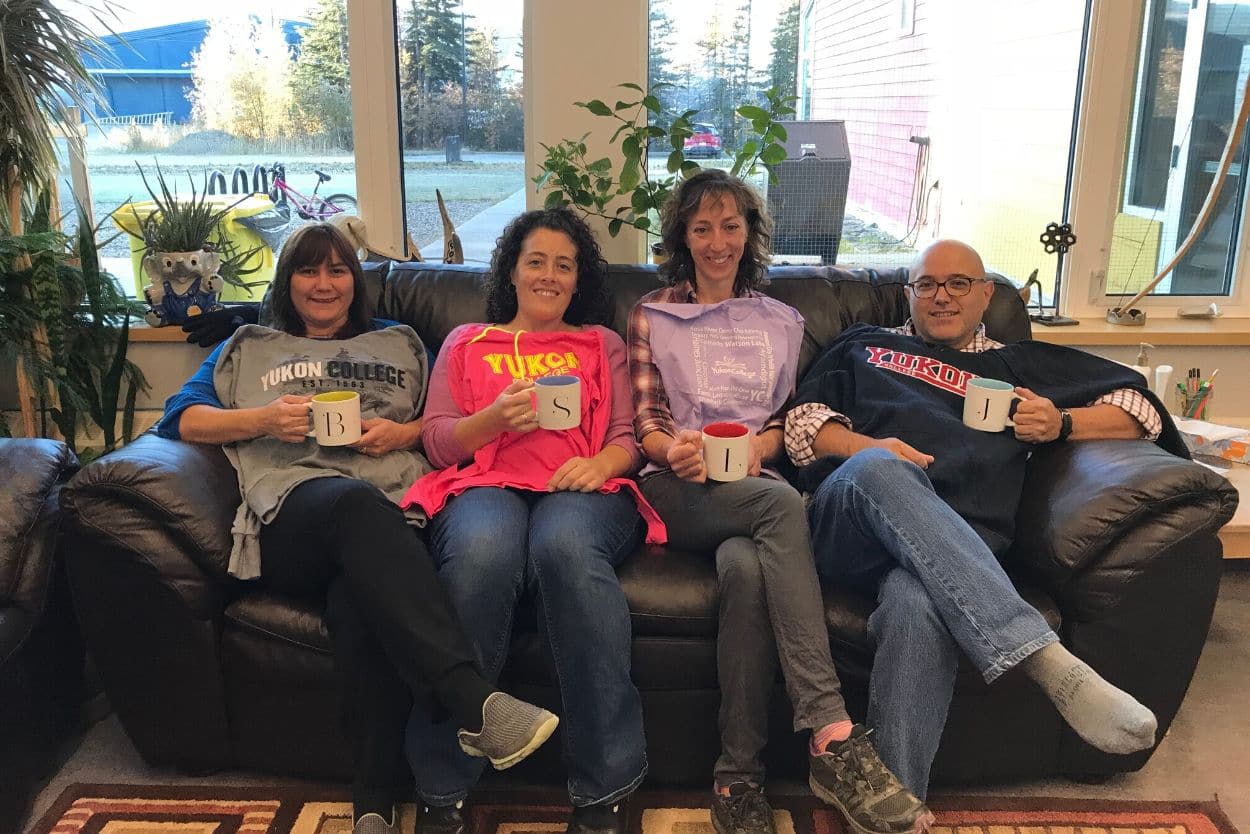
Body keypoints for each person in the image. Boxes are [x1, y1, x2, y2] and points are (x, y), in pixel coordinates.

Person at [155, 223, 558, 834]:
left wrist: (404, 433)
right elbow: (178, 420)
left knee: (359, 603)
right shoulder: (249, 344)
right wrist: (260, 418)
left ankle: (371, 807)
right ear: (287, 281)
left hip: (392, 525)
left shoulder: (403, 344)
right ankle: (474, 700)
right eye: (308, 271)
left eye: (337, 271)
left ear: (355, 282)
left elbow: (445, 423)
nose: (324, 284)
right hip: (292, 514)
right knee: (352, 504)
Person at [785, 238, 1181, 802]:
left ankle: (896, 806)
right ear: (909, 293)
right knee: (881, 467)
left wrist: (1062, 422)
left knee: (918, 603)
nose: (941, 297)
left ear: (986, 294)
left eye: (958, 284)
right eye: (927, 285)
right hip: (853, 522)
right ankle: (1044, 659)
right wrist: (872, 447)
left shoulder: (1018, 363)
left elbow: (1141, 410)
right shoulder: (862, 346)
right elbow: (803, 426)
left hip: (959, 545)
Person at [628, 168, 932, 834]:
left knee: (746, 567)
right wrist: (668, 446)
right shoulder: (652, 311)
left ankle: (736, 779)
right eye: (702, 227)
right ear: (683, 234)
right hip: (677, 491)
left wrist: (758, 450)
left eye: (730, 226)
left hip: (753, 490)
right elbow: (644, 421)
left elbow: (783, 424)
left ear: (749, 234)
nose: (717, 242)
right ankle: (829, 728)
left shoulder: (779, 322)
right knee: (780, 511)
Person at [401, 208, 660, 834]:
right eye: (536, 262)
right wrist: (492, 420)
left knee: (566, 547)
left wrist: (600, 463)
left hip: (584, 488)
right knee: (486, 551)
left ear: (578, 281)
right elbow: (437, 443)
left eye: (563, 266)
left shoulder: (603, 344)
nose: (549, 275)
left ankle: (604, 790)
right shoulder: (467, 342)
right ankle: (442, 789)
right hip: (485, 484)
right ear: (512, 272)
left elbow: (628, 438)